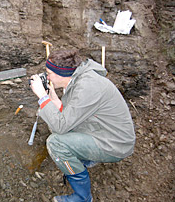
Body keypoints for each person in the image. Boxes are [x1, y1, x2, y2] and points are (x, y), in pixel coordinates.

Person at [30, 49, 136, 202]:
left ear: (61, 74)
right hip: (102, 131)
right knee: (61, 128)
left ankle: (83, 197)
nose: (47, 77)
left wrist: (42, 97)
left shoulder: (87, 87)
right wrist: (50, 96)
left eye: (49, 73)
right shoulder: (80, 79)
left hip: (115, 144)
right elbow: (68, 115)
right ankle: (86, 156)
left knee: (56, 143)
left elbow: (60, 125)